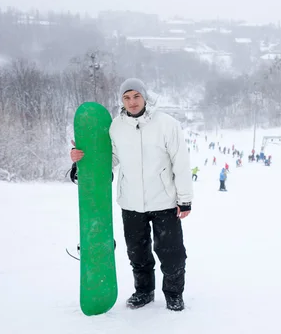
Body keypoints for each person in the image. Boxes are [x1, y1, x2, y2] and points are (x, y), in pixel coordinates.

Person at [70, 78, 192, 312]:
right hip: (131, 202)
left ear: (144, 97)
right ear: (121, 101)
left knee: (172, 254)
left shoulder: (166, 124)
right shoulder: (116, 126)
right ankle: (144, 292)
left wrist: (184, 199)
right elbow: (110, 160)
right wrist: (81, 160)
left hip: (164, 201)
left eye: (136, 96)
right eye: (126, 97)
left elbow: (181, 162)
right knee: (138, 254)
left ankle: (174, 294)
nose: (132, 102)